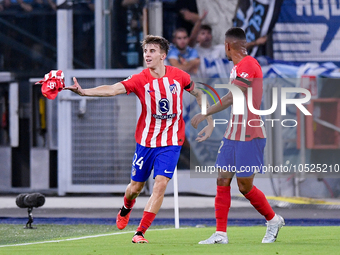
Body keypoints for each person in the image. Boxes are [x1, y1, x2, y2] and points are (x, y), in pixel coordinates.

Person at [65, 35, 214, 243]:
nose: (147, 55)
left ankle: (140, 232)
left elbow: (198, 93)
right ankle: (126, 207)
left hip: (171, 142)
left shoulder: (179, 76)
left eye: (152, 51)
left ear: (163, 55)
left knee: (160, 184)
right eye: (145, 51)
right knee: (135, 187)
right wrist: (84, 92)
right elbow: (112, 89)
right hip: (146, 142)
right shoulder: (139, 79)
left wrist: (209, 119)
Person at [191, 27, 284, 244]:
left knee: (244, 186)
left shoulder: (249, 64)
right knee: (222, 179)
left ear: (227, 46)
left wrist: (205, 113)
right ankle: (220, 234)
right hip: (233, 132)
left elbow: (232, 96)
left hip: (250, 133)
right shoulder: (236, 68)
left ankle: (273, 220)